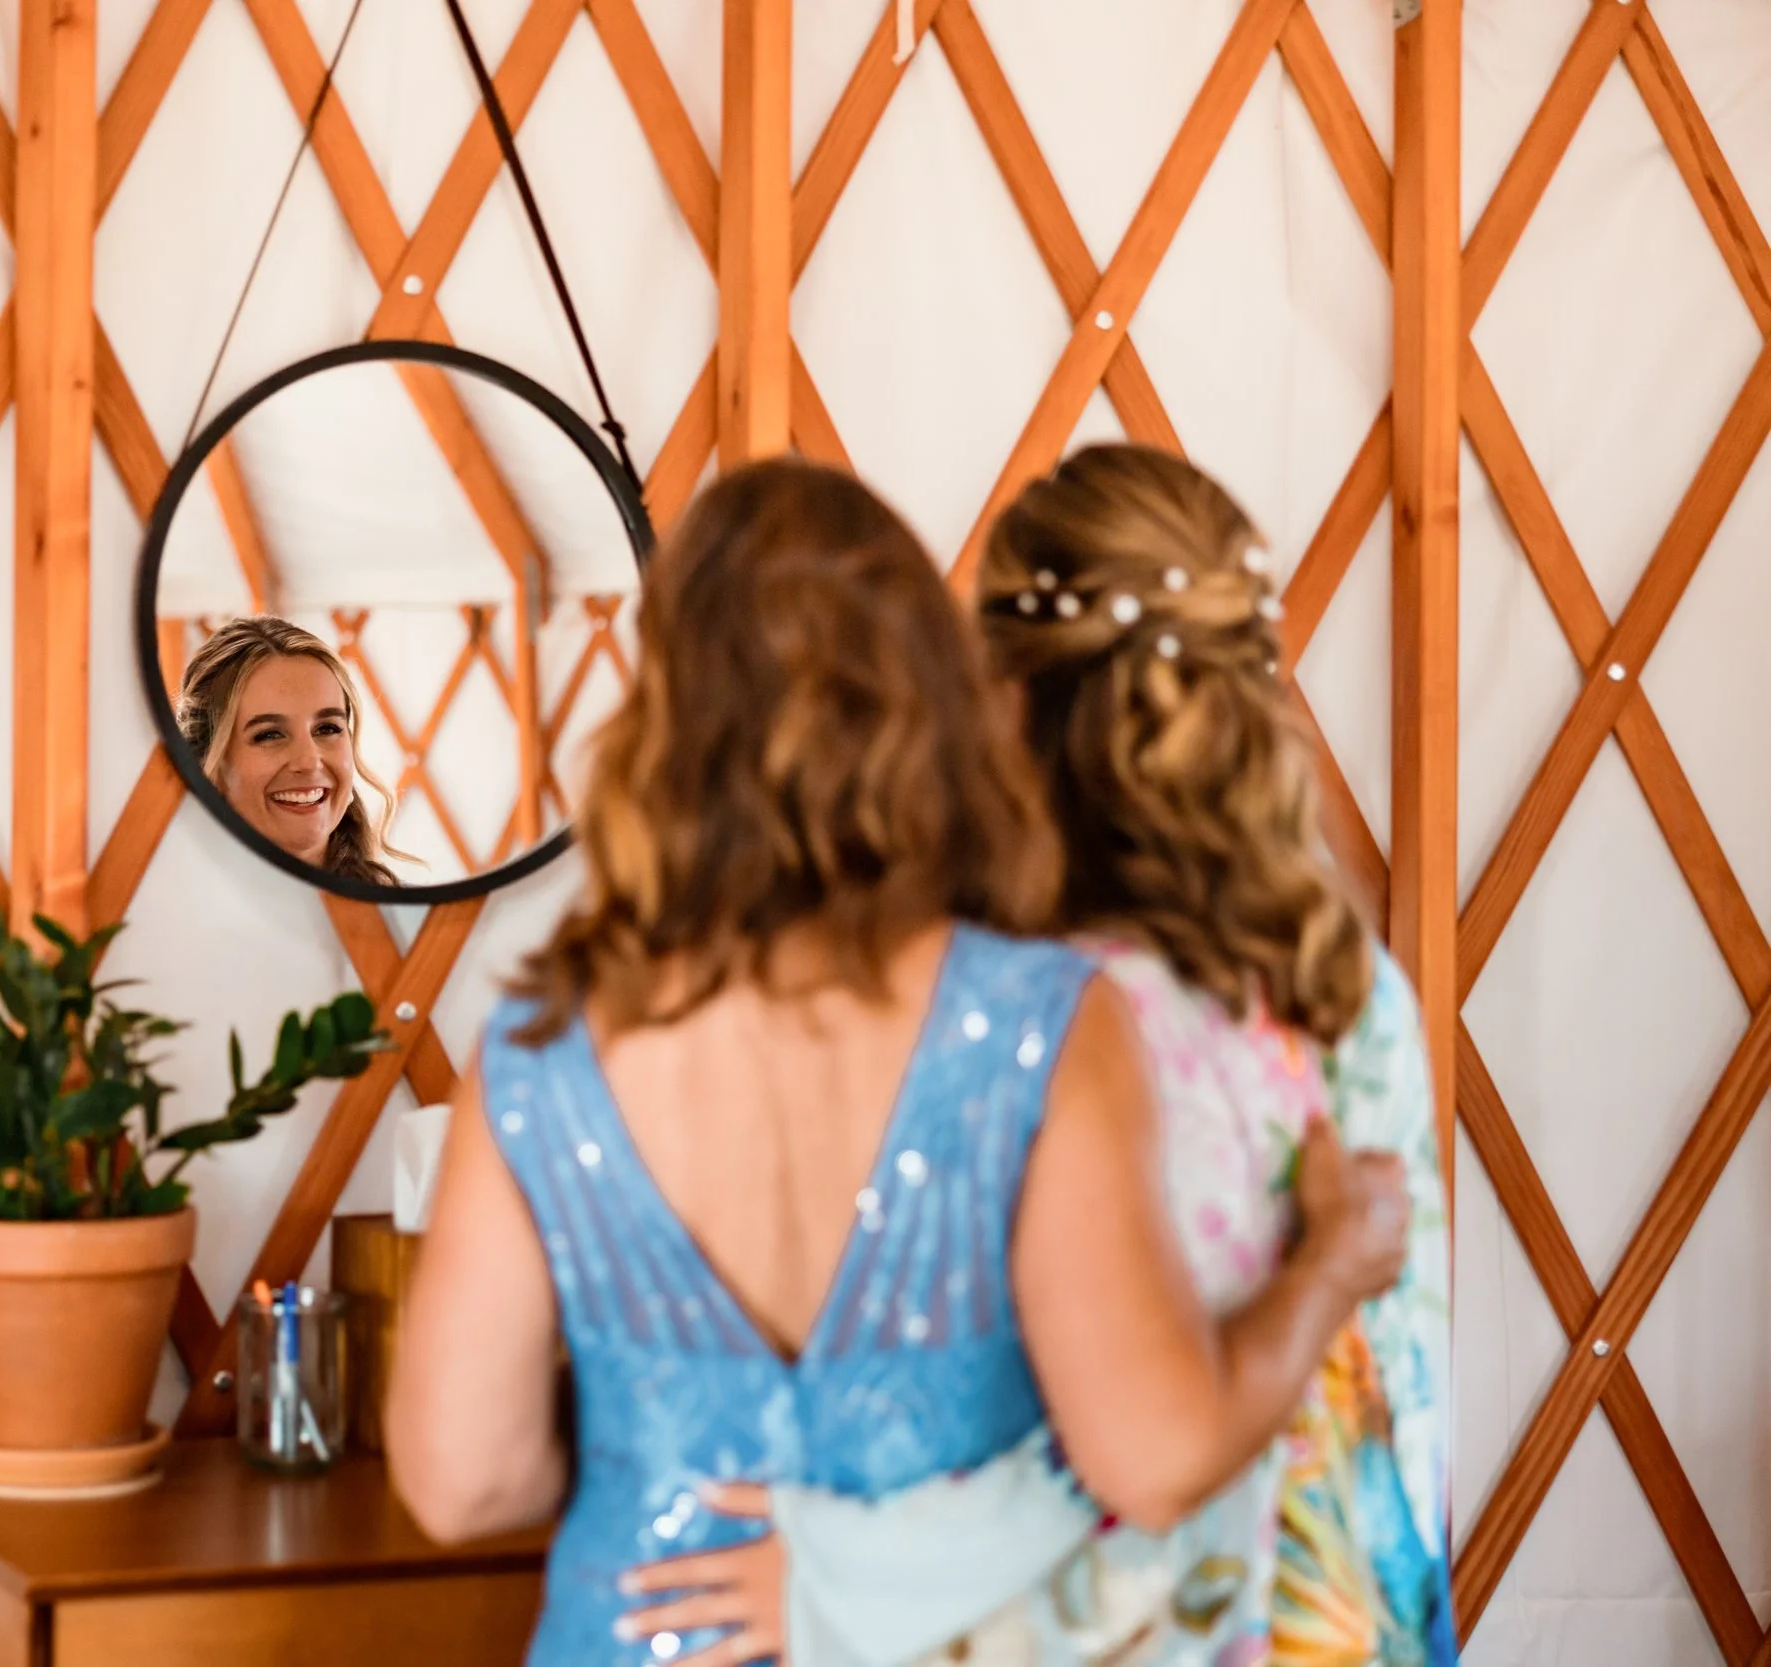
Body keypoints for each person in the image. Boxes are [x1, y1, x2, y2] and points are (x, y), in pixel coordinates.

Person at [384, 458, 1412, 1667]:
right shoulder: (1037, 1018)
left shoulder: (537, 1047)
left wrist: (645, 1422)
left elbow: (462, 1483)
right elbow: (1157, 1451)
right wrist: (1329, 1269)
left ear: (661, 710)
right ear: (935, 694)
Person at [175, 615, 405, 885]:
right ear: (207, 762)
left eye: (327, 729)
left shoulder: (398, 919)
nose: (309, 761)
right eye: (269, 735)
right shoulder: (160, 916)